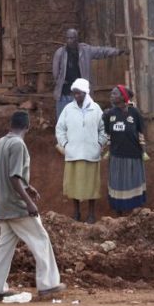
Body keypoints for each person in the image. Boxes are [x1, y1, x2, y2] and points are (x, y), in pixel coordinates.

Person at [0, 111, 66, 300]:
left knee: (4, 247)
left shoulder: (2, 142)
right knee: (41, 240)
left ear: (10, 124)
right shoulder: (18, 144)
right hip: (16, 205)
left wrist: (28, 187)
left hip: (4, 205)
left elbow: (10, 174)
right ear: (28, 126)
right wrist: (29, 203)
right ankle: (48, 284)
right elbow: (14, 177)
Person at [55, 78, 107, 223]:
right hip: (73, 154)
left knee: (92, 186)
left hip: (91, 153)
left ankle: (91, 214)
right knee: (74, 186)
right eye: (74, 93)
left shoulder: (95, 109)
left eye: (79, 93)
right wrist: (65, 144)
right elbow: (60, 129)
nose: (76, 96)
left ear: (86, 93)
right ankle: (76, 213)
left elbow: (104, 129)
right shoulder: (68, 109)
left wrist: (99, 143)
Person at [52, 28, 128, 119]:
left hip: (81, 93)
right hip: (65, 93)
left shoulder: (85, 50)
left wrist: (118, 51)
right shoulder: (60, 53)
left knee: (82, 118)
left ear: (77, 39)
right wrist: (60, 82)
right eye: (67, 38)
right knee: (62, 118)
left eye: (72, 38)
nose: (69, 41)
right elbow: (55, 71)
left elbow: (102, 51)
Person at [102, 85, 147, 214]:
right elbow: (107, 133)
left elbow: (141, 132)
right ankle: (119, 214)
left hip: (133, 155)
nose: (111, 96)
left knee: (133, 182)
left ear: (123, 97)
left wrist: (143, 150)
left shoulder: (134, 112)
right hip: (117, 156)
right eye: (111, 93)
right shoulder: (109, 114)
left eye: (114, 94)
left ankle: (135, 212)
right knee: (118, 183)